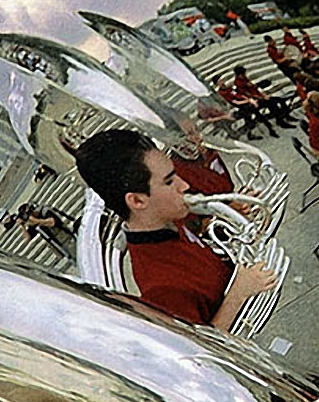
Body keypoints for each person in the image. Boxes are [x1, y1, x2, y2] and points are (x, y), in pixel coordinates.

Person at [75, 129, 276, 330]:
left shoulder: (168, 216)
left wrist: (227, 213)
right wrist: (238, 294)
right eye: (169, 181)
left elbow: (199, 237)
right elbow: (203, 348)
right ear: (137, 200)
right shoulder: (162, 287)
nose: (185, 185)